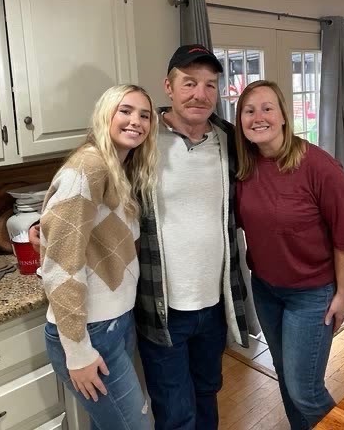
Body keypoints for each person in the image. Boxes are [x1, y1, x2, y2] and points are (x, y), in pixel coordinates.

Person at [134, 44, 249, 430]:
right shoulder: (141, 139)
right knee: (175, 411)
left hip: (215, 303)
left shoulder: (230, 140)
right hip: (162, 306)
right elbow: (95, 178)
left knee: (207, 392)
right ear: (168, 86)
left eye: (209, 85)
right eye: (189, 83)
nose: (200, 94)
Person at [235, 80, 344, 430]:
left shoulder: (320, 168)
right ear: (240, 121)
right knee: (285, 376)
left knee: (306, 390)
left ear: (283, 116)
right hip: (266, 290)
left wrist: (343, 295)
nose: (258, 117)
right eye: (249, 111)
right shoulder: (243, 169)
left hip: (312, 295)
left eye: (267, 108)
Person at [40, 84, 157, 430]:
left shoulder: (118, 167)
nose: (136, 121)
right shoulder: (88, 167)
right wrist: (78, 353)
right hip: (90, 330)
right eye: (125, 110)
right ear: (105, 114)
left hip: (115, 322)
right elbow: (60, 266)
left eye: (144, 115)